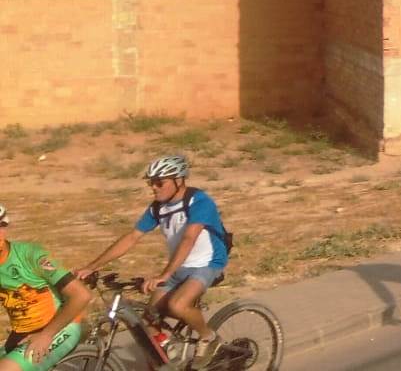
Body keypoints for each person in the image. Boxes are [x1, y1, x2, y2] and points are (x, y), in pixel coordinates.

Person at [76, 155, 230, 366]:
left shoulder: (200, 202)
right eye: (151, 183)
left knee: (177, 305)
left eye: (159, 183)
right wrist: (91, 267)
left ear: (179, 180)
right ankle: (169, 355)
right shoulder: (158, 208)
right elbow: (132, 237)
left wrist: (164, 275)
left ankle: (208, 337)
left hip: (207, 263)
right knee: (150, 318)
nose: (154, 188)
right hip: (180, 265)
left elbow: (189, 239)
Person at [0, 205, 91, 371]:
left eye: (0, 226)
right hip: (22, 332)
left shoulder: (30, 255)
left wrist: (46, 335)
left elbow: (81, 295)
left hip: (59, 328)